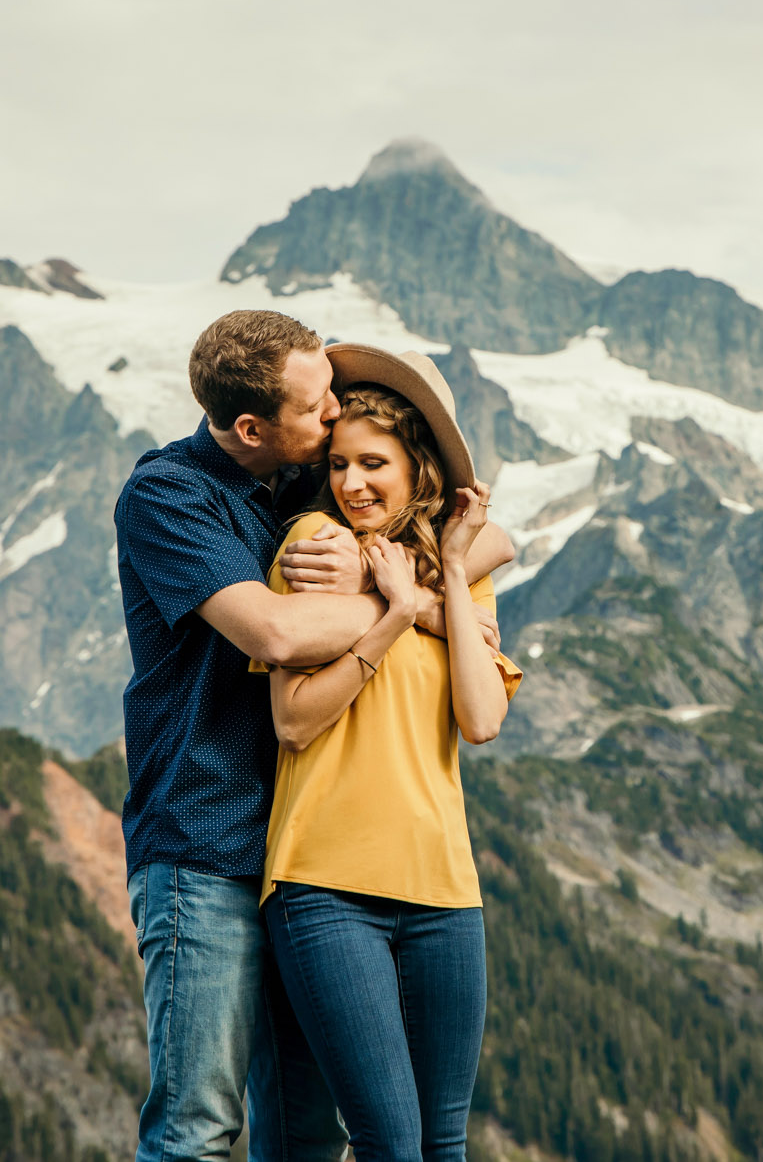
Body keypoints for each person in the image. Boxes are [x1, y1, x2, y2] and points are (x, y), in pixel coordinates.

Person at [113, 311, 512, 1162]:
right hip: (207, 845)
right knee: (198, 1129)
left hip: (312, 856)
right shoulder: (169, 495)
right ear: (253, 427)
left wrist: (412, 583)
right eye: (318, 406)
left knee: (306, 1135)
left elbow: (493, 542)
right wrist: (397, 605)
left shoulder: (302, 482)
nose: (336, 415)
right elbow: (279, 637)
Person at [252, 343, 524, 1162]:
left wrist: (442, 573)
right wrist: (395, 615)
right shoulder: (313, 545)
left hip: (444, 890)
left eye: (375, 463)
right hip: (324, 885)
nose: (351, 483)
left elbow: (480, 719)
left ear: (418, 471)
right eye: (339, 463)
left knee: (443, 1144)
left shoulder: (460, 576)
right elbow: (294, 722)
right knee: (389, 1143)